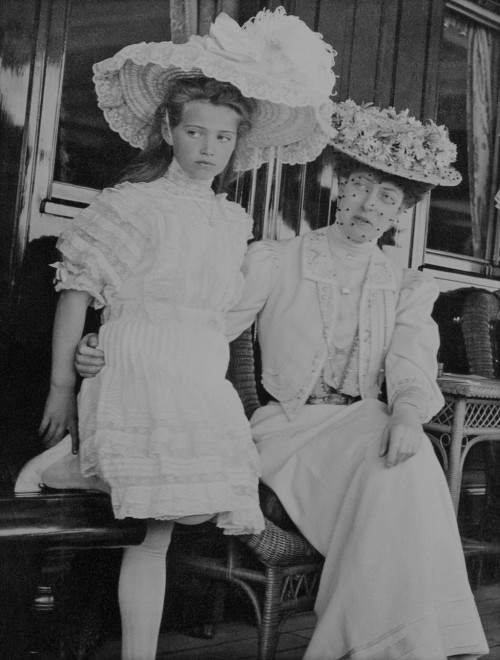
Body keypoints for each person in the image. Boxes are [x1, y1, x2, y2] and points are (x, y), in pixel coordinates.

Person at [72, 100, 489, 659]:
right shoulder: (275, 259)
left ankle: (390, 643)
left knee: (403, 463)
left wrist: (410, 413)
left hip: (362, 425)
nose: (369, 206)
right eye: (361, 188)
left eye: (387, 198)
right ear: (339, 188)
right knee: (399, 469)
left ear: (402, 213)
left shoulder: (407, 284)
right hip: (286, 430)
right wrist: (112, 339)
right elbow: (203, 324)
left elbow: (412, 362)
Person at [14, 8, 337, 660]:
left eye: (222, 137)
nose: (208, 148)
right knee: (144, 511)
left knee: (157, 529)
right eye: (195, 131)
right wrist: (63, 380)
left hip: (195, 370)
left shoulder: (229, 221)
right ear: (169, 129)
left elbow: (221, 312)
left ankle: (140, 653)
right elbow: (78, 292)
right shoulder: (127, 205)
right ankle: (68, 462)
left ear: (237, 144)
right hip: (135, 360)